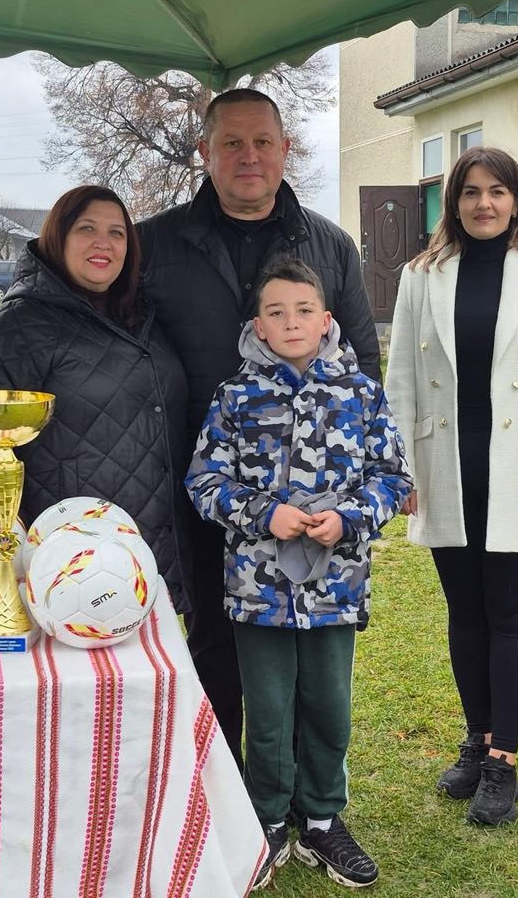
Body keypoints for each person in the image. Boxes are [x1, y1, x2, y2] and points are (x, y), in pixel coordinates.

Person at [138, 88, 379, 767]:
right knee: (214, 636)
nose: (249, 157)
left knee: (308, 653)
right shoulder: (154, 245)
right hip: (198, 482)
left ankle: (310, 806)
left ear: (285, 149)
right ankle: (225, 793)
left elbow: (363, 367)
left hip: (310, 505)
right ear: (204, 153)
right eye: (232, 143)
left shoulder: (328, 246)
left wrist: (349, 492)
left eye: (263, 142)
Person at [384, 146, 518, 827]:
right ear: (453, 204)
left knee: (511, 612)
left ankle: (504, 760)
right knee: (465, 612)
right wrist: (399, 472)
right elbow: (402, 384)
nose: (483, 203)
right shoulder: (422, 276)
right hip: (448, 465)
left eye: (496, 191)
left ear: (516, 200)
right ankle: (476, 742)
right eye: (471, 192)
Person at [186, 257, 410, 890]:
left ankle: (321, 819)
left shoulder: (361, 393)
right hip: (258, 590)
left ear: (326, 319)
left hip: (334, 588)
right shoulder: (234, 396)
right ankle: (266, 821)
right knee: (269, 707)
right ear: (257, 323)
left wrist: (351, 518)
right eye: (276, 312)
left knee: (329, 706)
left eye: (304, 310)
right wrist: (263, 513)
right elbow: (203, 480)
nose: (291, 322)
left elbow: (393, 478)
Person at [0, 184, 189, 612]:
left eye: (118, 233)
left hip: (150, 554)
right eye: (87, 229)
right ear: (57, 237)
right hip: (70, 568)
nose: (104, 243)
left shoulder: (144, 316)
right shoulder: (14, 330)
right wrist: (13, 558)